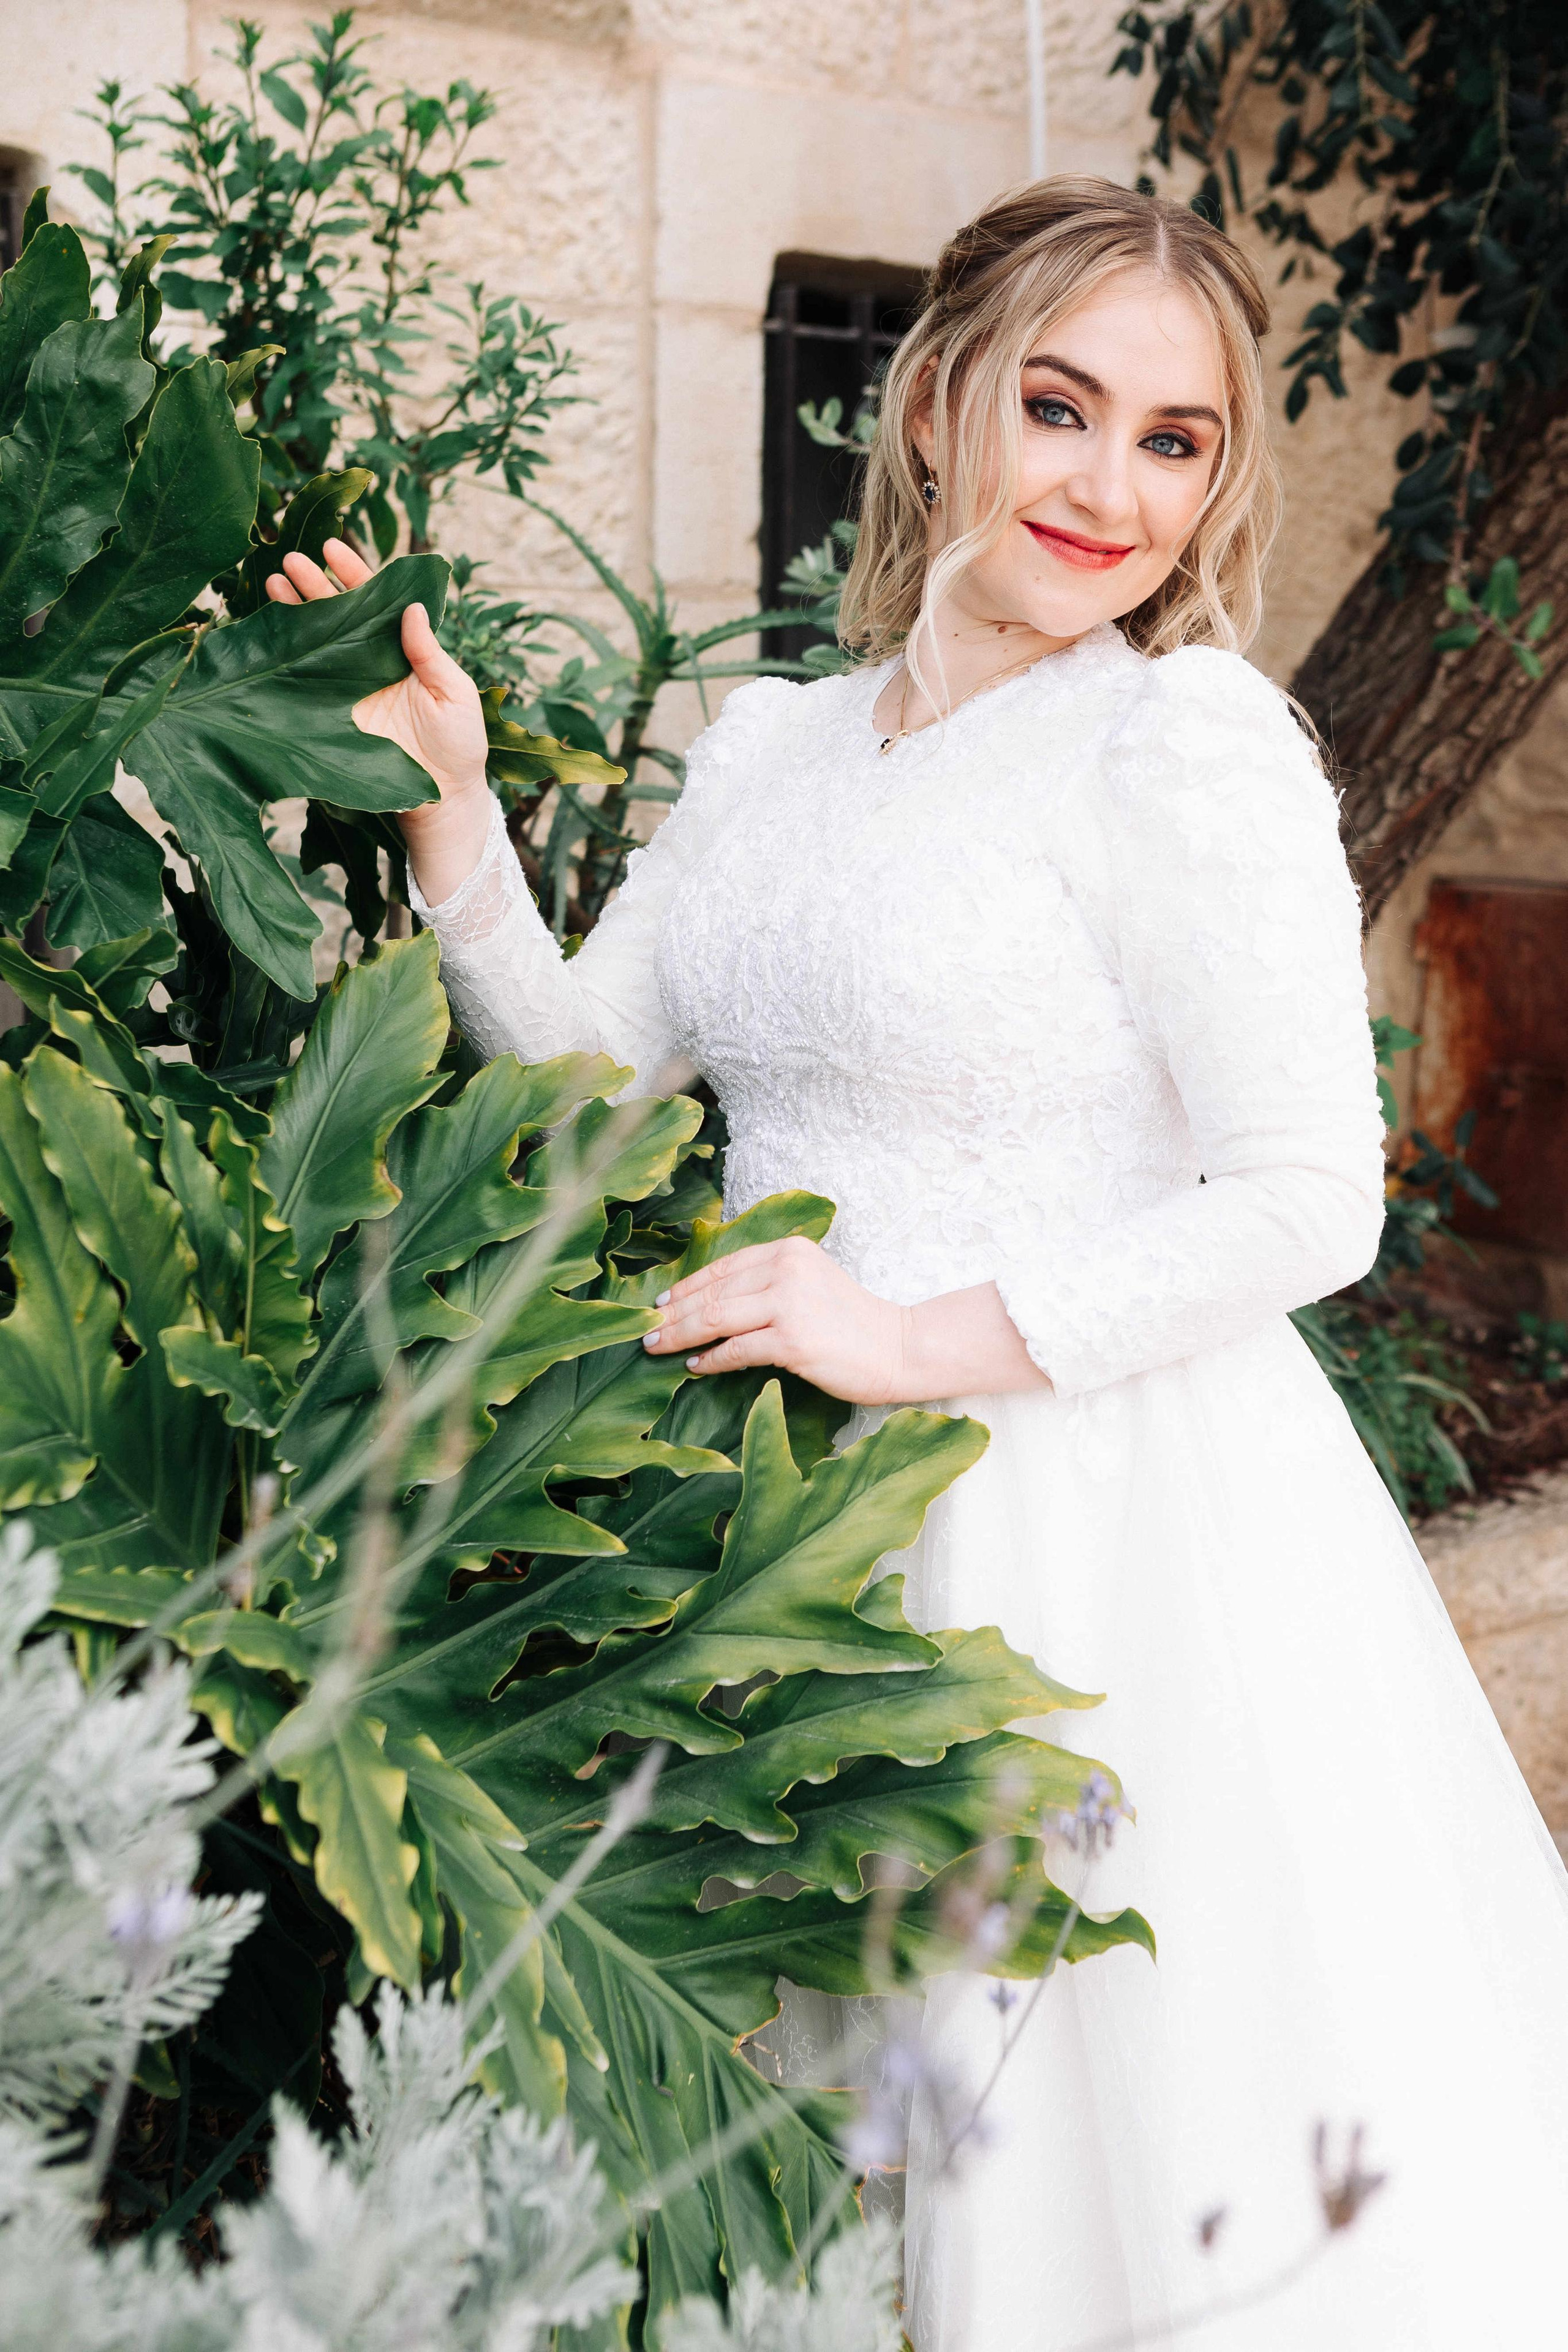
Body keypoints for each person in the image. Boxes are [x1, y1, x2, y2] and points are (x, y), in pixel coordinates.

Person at [267, 177, 1568, 2351]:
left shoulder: (1183, 746)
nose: (1110, 486)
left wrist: (903, 1336)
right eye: (1064, 406)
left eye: (1177, 441)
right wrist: (457, 825)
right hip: (779, 1529)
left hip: (1089, 1527)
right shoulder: (778, 743)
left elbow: (1309, 1195)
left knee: (1070, 2140)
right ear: (943, 397)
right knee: (779, 2136)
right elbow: (601, 1071)